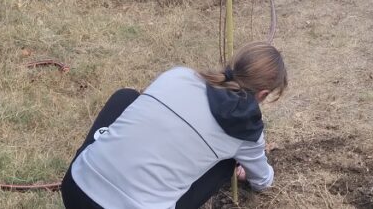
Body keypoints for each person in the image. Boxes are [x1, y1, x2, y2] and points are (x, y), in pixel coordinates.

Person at [61, 41, 287, 209]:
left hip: (75, 189)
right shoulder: (245, 132)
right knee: (228, 160)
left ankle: (99, 164)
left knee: (126, 97)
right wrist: (245, 173)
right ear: (263, 94)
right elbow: (263, 181)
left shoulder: (179, 75)